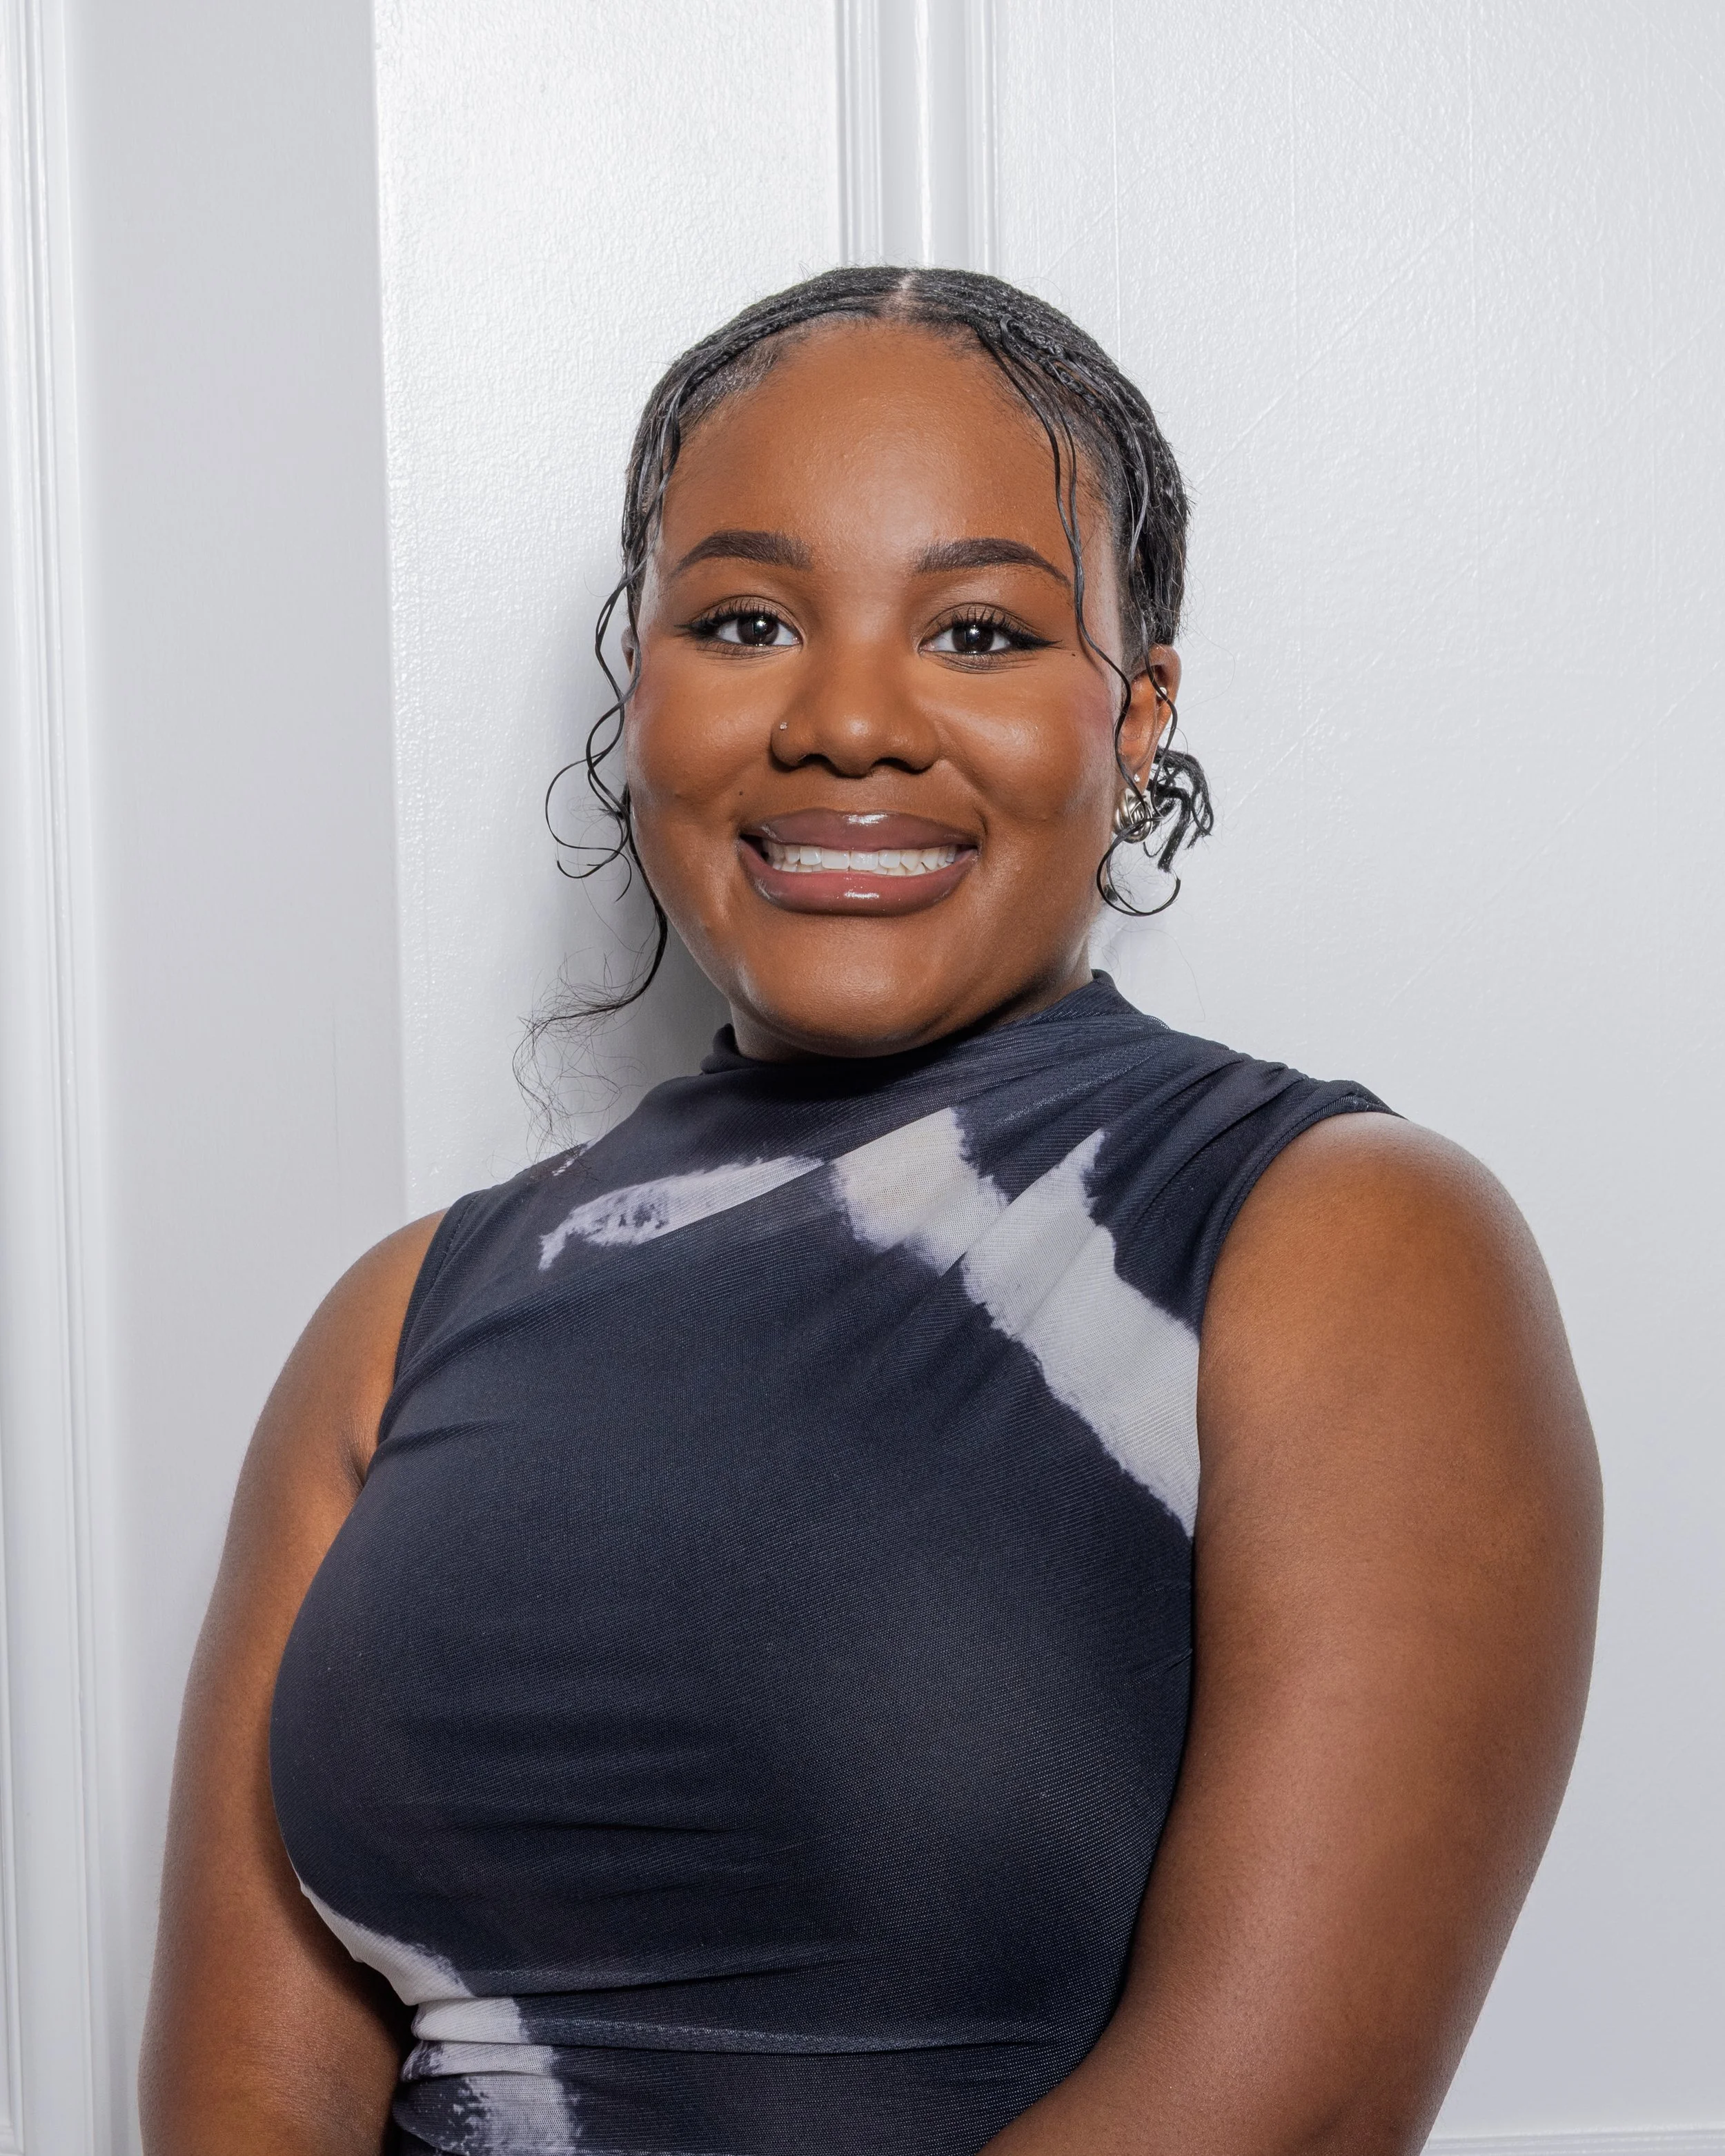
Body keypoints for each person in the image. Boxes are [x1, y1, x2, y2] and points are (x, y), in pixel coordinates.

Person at [139, 267, 1601, 2156]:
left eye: (978, 633)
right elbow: (242, 2108)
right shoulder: (401, 1324)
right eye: (746, 620)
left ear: (1136, 715)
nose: (845, 722)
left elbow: (1273, 2115)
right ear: (645, 688)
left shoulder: (1331, 1245)